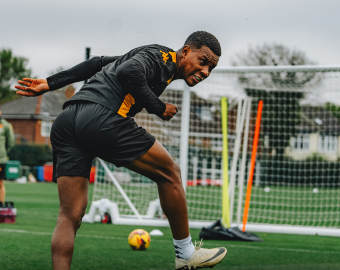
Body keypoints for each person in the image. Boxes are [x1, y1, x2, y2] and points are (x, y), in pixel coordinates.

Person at [15, 31, 226, 270]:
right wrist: (158, 107)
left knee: (70, 214)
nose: (205, 72)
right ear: (186, 51)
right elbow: (128, 72)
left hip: (67, 121)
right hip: (101, 118)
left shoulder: (146, 56)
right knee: (170, 173)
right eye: (203, 61)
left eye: (211, 68)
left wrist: (51, 83)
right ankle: (186, 253)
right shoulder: (162, 58)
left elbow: (97, 63)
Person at [0, 109, 15, 205]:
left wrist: (3, 152)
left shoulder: (6, 125)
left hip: (0, 160)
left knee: (0, 183)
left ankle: (1, 205)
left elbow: (11, 143)